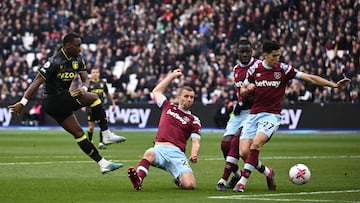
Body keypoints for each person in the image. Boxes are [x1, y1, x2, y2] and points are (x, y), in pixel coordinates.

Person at [233, 40, 351, 192]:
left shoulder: (284, 69)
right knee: (244, 152)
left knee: (256, 144)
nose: (278, 59)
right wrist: (247, 89)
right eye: (274, 56)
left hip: (271, 115)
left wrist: (333, 85)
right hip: (254, 114)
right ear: (265, 55)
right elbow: (242, 89)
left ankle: (242, 182)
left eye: (279, 55)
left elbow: (309, 78)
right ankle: (268, 173)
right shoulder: (255, 68)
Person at [8, 33, 126, 174]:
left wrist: (83, 88)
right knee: (94, 98)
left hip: (62, 100)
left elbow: (85, 79)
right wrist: (23, 102)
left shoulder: (78, 59)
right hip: (52, 100)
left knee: (79, 133)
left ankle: (103, 163)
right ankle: (106, 135)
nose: (80, 49)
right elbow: (37, 81)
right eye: (77, 45)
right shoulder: (54, 61)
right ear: (67, 45)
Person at [127, 69, 201, 190]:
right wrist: (172, 76)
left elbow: (195, 141)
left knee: (189, 185)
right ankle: (138, 180)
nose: (189, 99)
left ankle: (178, 179)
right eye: (186, 96)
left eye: (191, 97)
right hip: (160, 149)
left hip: (177, 154)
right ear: (179, 97)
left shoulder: (194, 119)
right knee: (149, 153)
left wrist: (194, 154)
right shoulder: (168, 106)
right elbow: (156, 91)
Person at [216, 39, 273, 191]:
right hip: (239, 112)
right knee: (225, 144)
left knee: (236, 142)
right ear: (237, 52)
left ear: (252, 51)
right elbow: (240, 91)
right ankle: (242, 173)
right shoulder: (236, 69)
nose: (245, 54)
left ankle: (223, 179)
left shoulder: (258, 66)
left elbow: (262, 91)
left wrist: (247, 99)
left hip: (254, 112)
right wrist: (239, 103)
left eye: (248, 51)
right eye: (242, 51)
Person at [86, 67, 126, 149]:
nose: (95, 74)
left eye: (97, 72)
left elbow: (107, 94)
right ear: (91, 74)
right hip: (90, 108)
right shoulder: (88, 84)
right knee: (91, 127)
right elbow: (84, 96)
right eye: (93, 72)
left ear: (99, 73)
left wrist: (113, 103)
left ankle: (101, 143)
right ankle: (90, 141)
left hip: (100, 106)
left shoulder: (103, 83)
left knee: (102, 124)